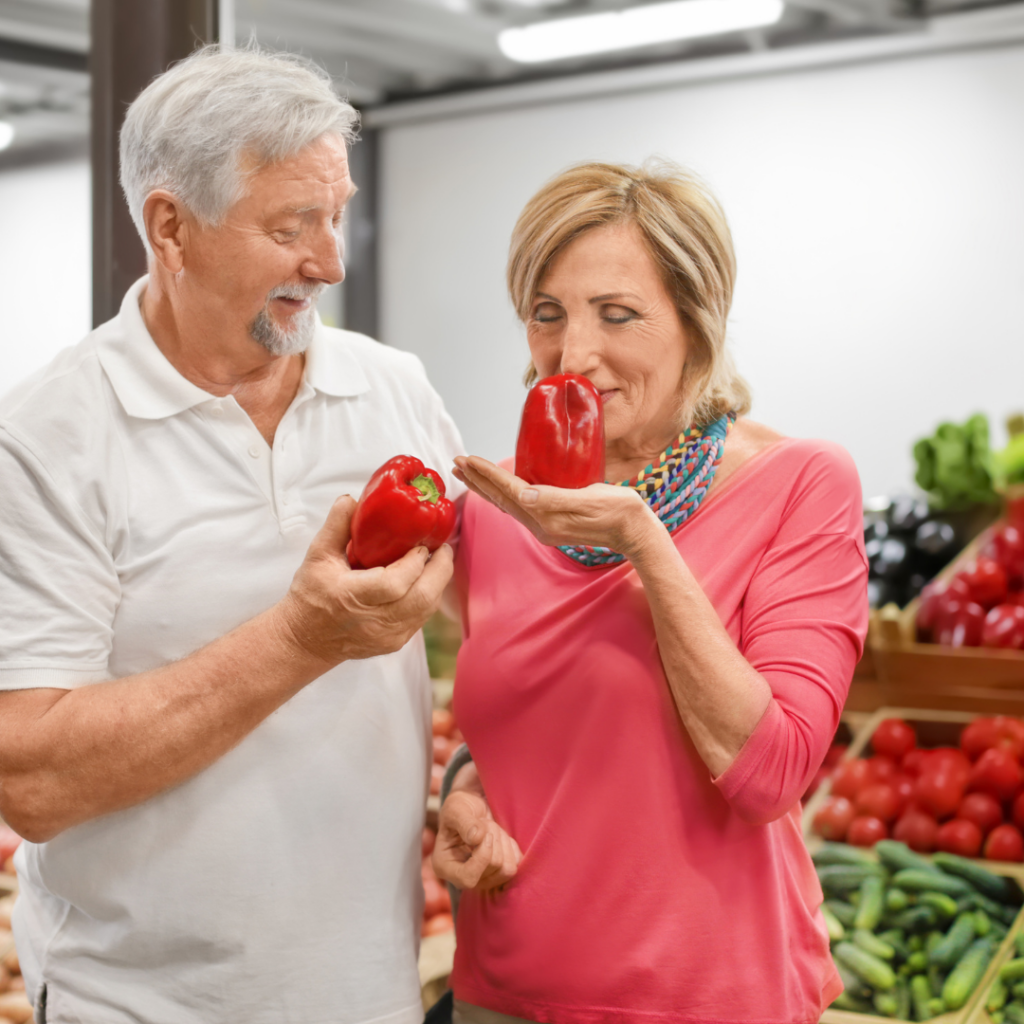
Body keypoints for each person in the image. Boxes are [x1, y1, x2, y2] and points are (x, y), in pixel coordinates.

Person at [0, 45, 461, 1024]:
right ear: (170, 225)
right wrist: (299, 640)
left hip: (367, 989)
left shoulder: (394, 389)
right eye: (292, 225)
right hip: (132, 1003)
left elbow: (500, 622)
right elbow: (29, 777)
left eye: (334, 215)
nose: (331, 262)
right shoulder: (44, 442)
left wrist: (477, 775)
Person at [432, 161, 869, 1023]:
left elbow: (771, 773)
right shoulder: (493, 505)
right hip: (502, 995)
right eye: (547, 315)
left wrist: (643, 540)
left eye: (619, 315)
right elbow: (529, 727)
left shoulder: (802, 485)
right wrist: (464, 793)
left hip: (712, 999)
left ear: (697, 330)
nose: (572, 355)